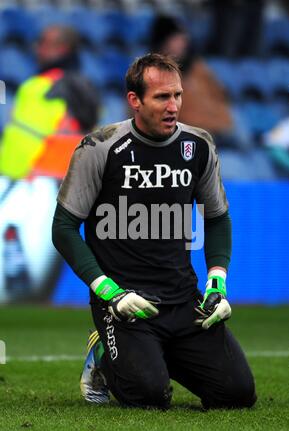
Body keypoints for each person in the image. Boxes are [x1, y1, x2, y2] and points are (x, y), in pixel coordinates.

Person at [52, 53, 256, 409]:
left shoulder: (199, 146)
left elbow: (218, 217)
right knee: (147, 396)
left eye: (177, 95)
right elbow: (64, 228)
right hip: (123, 302)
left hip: (183, 299)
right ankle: (102, 350)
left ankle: (152, 353)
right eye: (162, 97)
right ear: (135, 100)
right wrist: (108, 291)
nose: (173, 106)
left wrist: (217, 282)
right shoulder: (99, 147)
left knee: (237, 395)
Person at [0, 25, 99, 180]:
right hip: (70, 184)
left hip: (31, 184)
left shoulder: (37, 87)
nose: (37, 49)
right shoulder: (88, 88)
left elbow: (22, 144)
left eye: (43, 43)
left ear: (62, 49)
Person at [148, 15, 249, 150]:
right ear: (164, 42)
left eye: (183, 38)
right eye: (177, 38)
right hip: (193, 138)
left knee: (240, 124)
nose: (183, 42)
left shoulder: (197, 66)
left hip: (221, 130)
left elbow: (221, 94)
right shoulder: (152, 74)